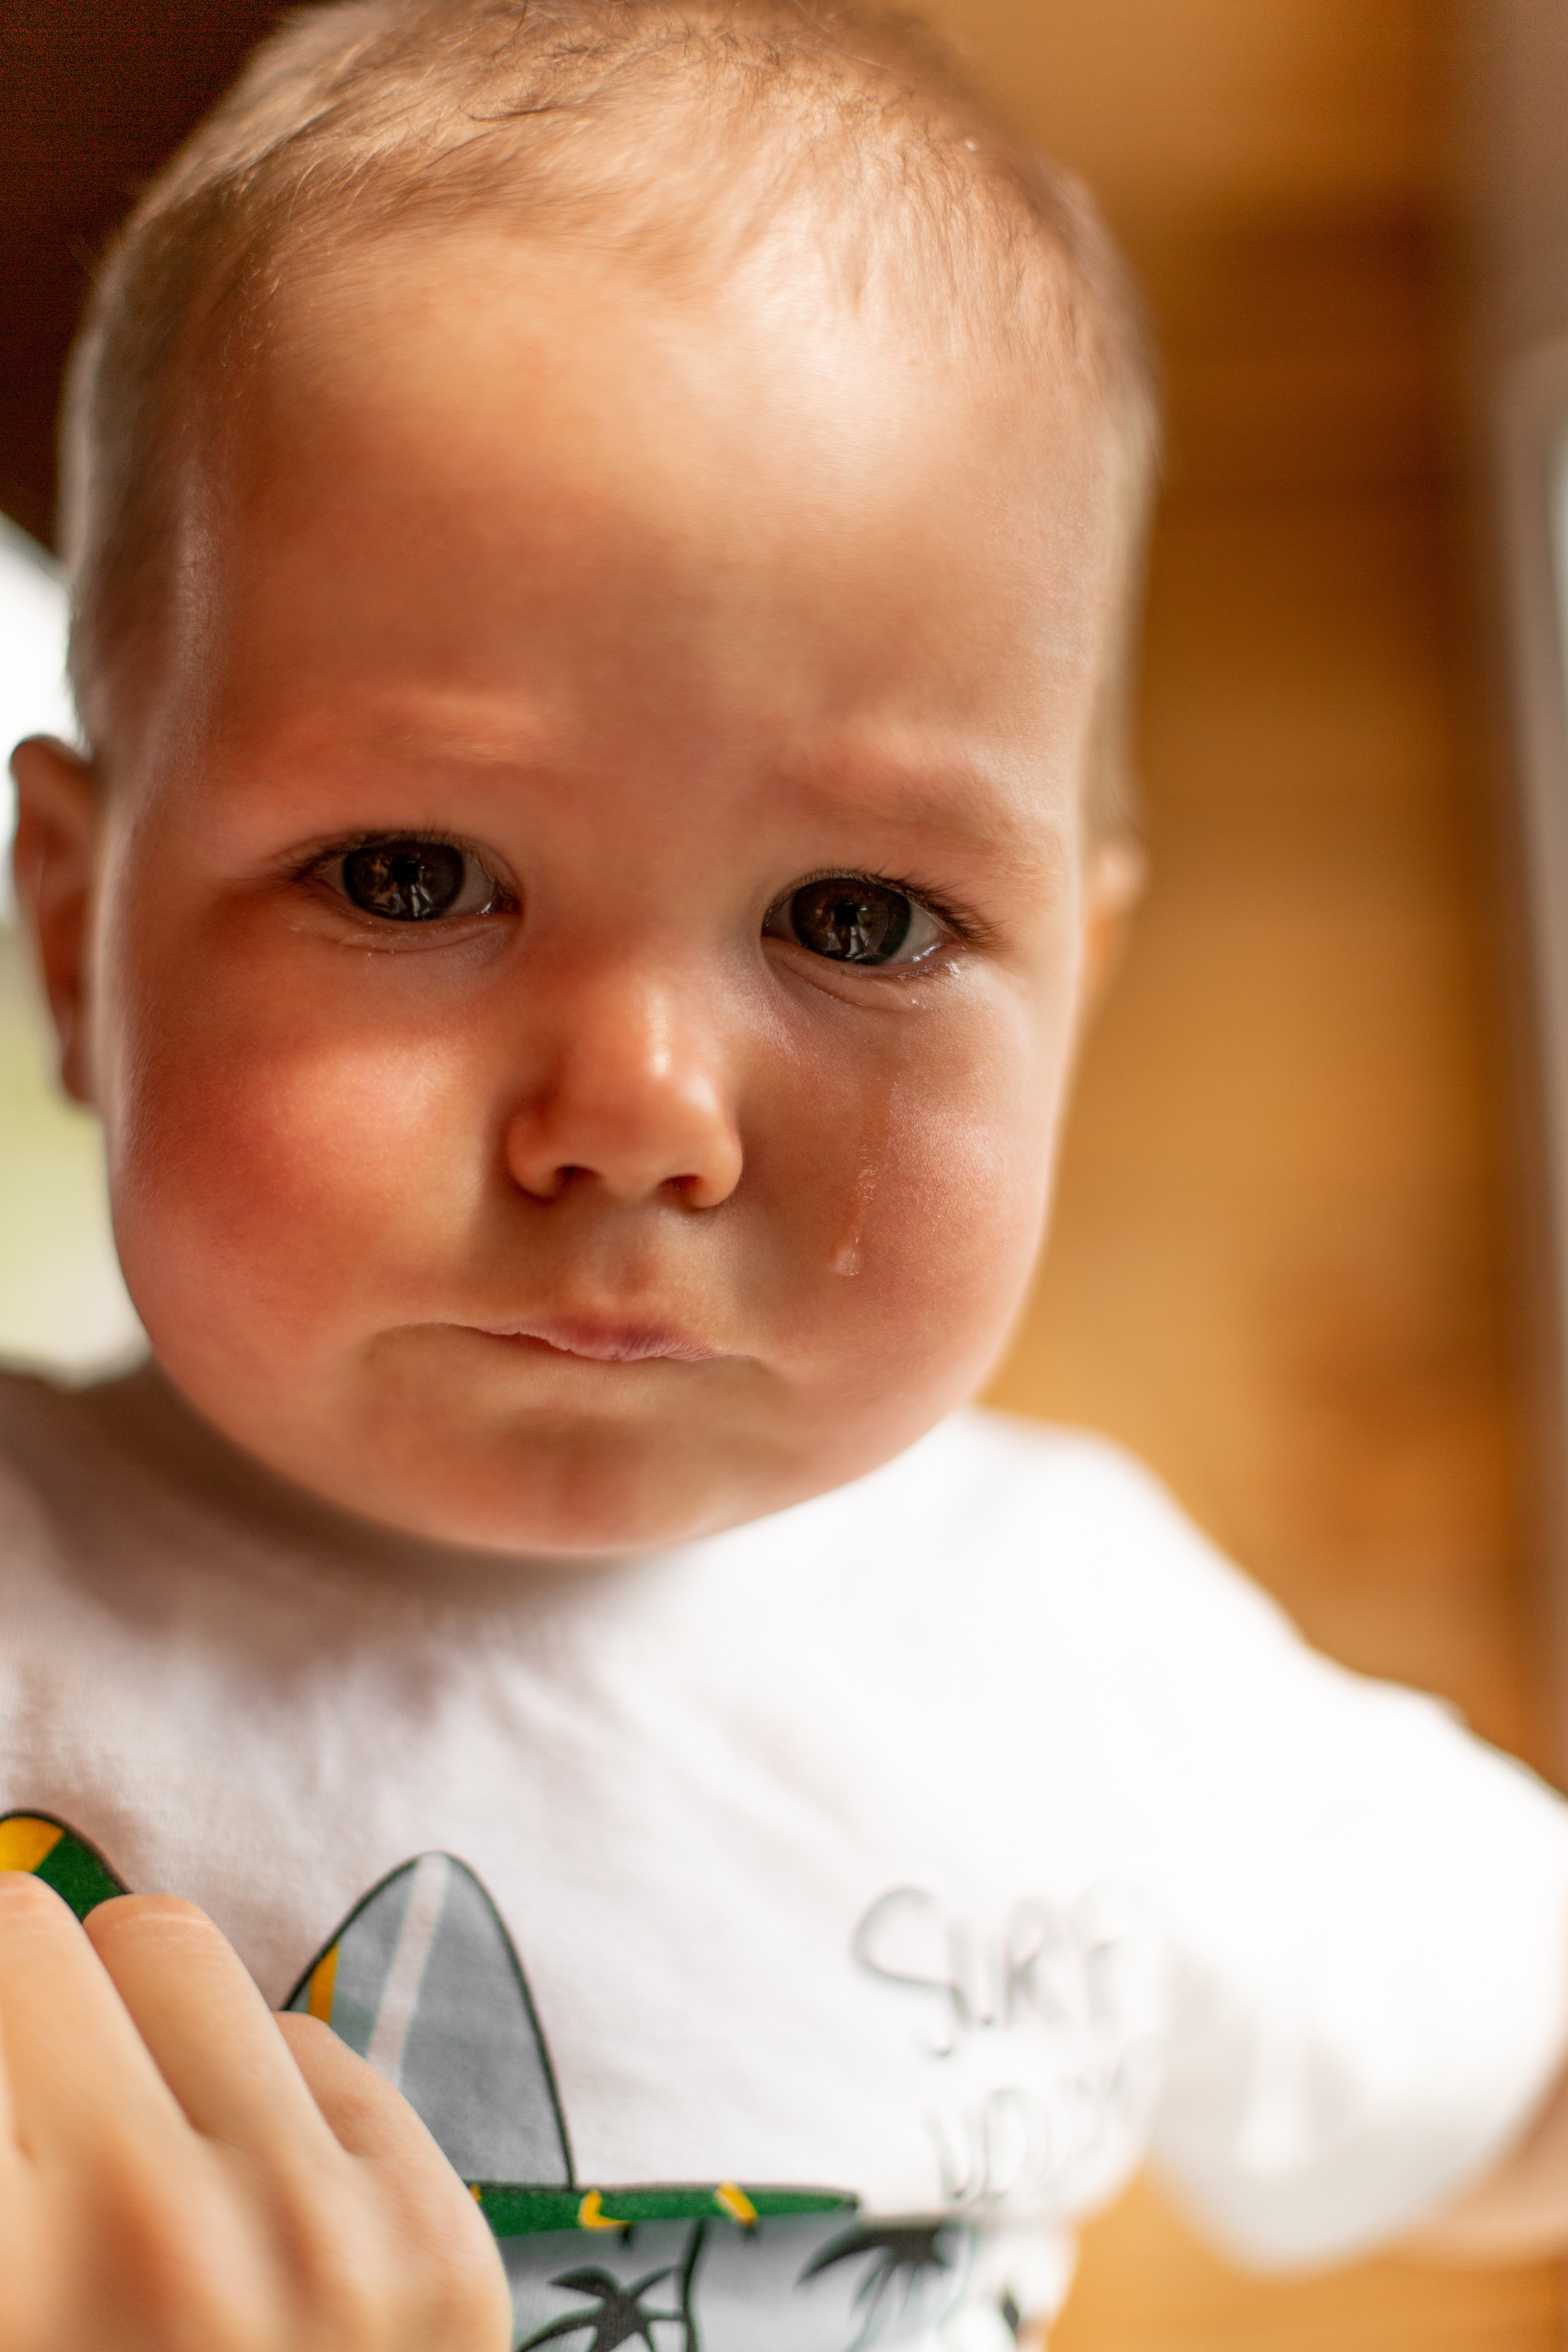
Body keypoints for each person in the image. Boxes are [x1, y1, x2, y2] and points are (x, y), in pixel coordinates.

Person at [6, 2, 1568, 2345]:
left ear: (1080, 990)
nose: (637, 1108)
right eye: (416, 875)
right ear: (76, 935)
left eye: (859, 922)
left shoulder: (1086, 1664)